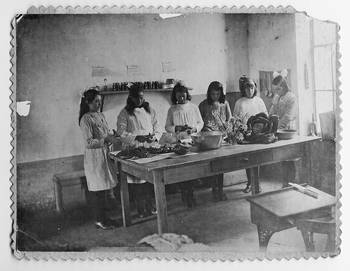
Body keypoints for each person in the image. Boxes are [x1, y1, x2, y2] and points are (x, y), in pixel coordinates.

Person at [116, 84, 162, 218]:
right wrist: (136, 137)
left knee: (148, 179)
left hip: (148, 148)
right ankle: (141, 208)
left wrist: (154, 136)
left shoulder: (150, 110)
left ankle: (151, 205)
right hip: (134, 149)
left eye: (142, 97)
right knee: (137, 181)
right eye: (136, 98)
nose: (140, 101)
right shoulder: (124, 113)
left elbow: (157, 127)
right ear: (131, 97)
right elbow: (121, 133)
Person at [79, 88, 120, 230]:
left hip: (104, 155)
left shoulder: (100, 115)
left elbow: (104, 133)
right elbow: (89, 142)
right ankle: (99, 220)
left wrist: (111, 135)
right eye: (96, 101)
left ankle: (104, 218)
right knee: (97, 190)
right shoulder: (85, 119)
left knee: (103, 189)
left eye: (99, 101)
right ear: (88, 102)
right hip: (94, 158)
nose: (98, 104)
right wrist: (105, 139)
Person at [165, 82, 204, 207]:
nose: (181, 98)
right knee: (182, 170)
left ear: (187, 95)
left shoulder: (193, 107)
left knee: (191, 169)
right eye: (179, 96)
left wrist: (194, 129)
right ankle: (184, 193)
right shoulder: (172, 109)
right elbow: (167, 126)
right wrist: (176, 128)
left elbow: (200, 122)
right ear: (175, 96)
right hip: (179, 142)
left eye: (183, 95)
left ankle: (191, 194)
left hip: (192, 141)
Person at [233, 76, 268, 193]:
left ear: (255, 88)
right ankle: (249, 183)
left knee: (257, 159)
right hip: (246, 134)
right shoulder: (239, 102)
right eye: (247, 88)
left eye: (252, 87)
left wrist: (261, 127)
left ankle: (256, 183)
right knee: (248, 160)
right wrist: (240, 130)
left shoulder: (259, 101)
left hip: (258, 133)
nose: (249, 90)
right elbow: (235, 119)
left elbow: (266, 115)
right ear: (243, 89)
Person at [198, 81, 232, 201]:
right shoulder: (203, 105)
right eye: (213, 94)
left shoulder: (225, 104)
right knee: (211, 165)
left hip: (221, 138)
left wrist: (226, 129)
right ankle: (214, 189)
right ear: (209, 93)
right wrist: (204, 128)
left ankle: (220, 190)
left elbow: (229, 119)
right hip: (208, 138)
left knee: (220, 165)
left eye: (217, 94)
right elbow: (199, 122)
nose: (215, 96)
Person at [270, 74, 299, 187]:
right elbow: (272, 111)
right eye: (275, 89)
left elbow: (288, 116)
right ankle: (285, 182)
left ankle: (291, 182)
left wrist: (277, 127)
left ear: (284, 86)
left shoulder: (291, 97)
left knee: (290, 157)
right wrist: (270, 120)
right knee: (282, 157)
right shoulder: (277, 96)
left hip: (288, 129)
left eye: (279, 89)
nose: (277, 91)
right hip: (279, 129)